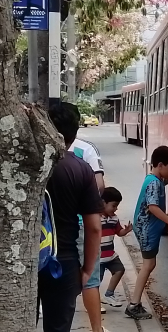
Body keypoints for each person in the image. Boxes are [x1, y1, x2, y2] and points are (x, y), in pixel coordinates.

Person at [40, 104, 104, 332]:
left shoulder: (25, 165)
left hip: (23, 261)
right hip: (63, 262)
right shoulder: (81, 169)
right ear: (74, 135)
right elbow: (95, 228)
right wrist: (87, 269)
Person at [126, 146, 168, 320]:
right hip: (147, 228)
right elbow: (153, 207)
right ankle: (133, 305)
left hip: (154, 223)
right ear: (161, 165)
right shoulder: (153, 183)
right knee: (149, 265)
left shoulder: (156, 178)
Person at [62, 102, 109, 320]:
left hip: (50, 227)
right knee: (90, 281)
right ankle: (97, 329)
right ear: (77, 126)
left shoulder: (41, 151)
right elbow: (99, 185)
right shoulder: (85, 149)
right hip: (81, 223)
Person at [100, 187, 133, 307]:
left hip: (110, 254)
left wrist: (126, 230)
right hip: (97, 257)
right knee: (95, 281)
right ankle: (92, 303)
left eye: (117, 206)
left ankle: (109, 294)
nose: (116, 209)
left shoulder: (114, 218)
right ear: (103, 203)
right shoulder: (95, 218)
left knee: (120, 270)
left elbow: (119, 232)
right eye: (113, 205)